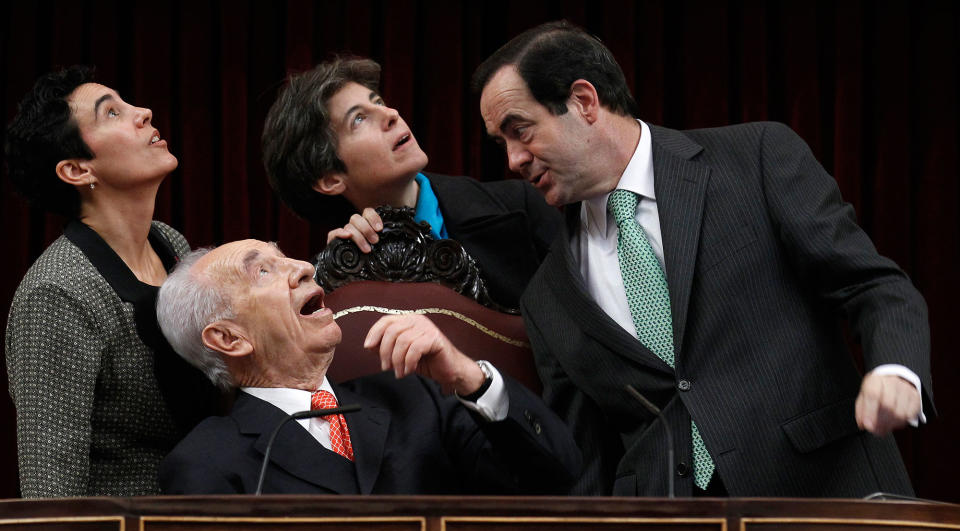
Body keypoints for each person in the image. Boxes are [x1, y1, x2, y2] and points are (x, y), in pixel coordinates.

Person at [472, 21, 934, 497]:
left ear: (584, 102)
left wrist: (896, 368)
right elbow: (586, 461)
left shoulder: (755, 159)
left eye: (519, 131)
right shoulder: (548, 296)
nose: (513, 160)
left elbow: (872, 286)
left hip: (824, 499)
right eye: (502, 142)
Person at [155, 240, 580, 495]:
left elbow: (559, 479)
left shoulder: (419, 398)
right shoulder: (205, 462)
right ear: (229, 339)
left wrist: (470, 379)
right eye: (263, 270)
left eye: (286, 256)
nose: (303, 267)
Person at [4, 66, 216, 497]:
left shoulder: (169, 243)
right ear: (77, 171)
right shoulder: (57, 294)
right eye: (112, 114)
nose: (144, 112)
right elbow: (51, 493)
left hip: (201, 512)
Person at [261, 57, 562, 309]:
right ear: (330, 179)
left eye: (378, 101)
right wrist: (340, 280)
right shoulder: (329, 288)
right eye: (359, 119)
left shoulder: (518, 203)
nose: (391, 114)